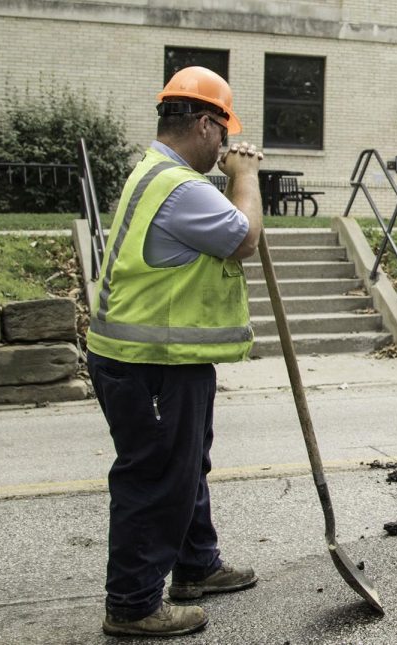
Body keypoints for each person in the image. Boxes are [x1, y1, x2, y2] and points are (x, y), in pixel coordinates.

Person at [86, 66, 264, 637]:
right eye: (224, 133)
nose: (225, 147)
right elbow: (244, 238)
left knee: (185, 465)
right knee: (157, 476)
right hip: (150, 363)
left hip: (155, 359)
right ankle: (134, 604)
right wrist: (246, 175)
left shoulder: (157, 173)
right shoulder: (180, 188)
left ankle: (196, 565)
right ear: (209, 125)